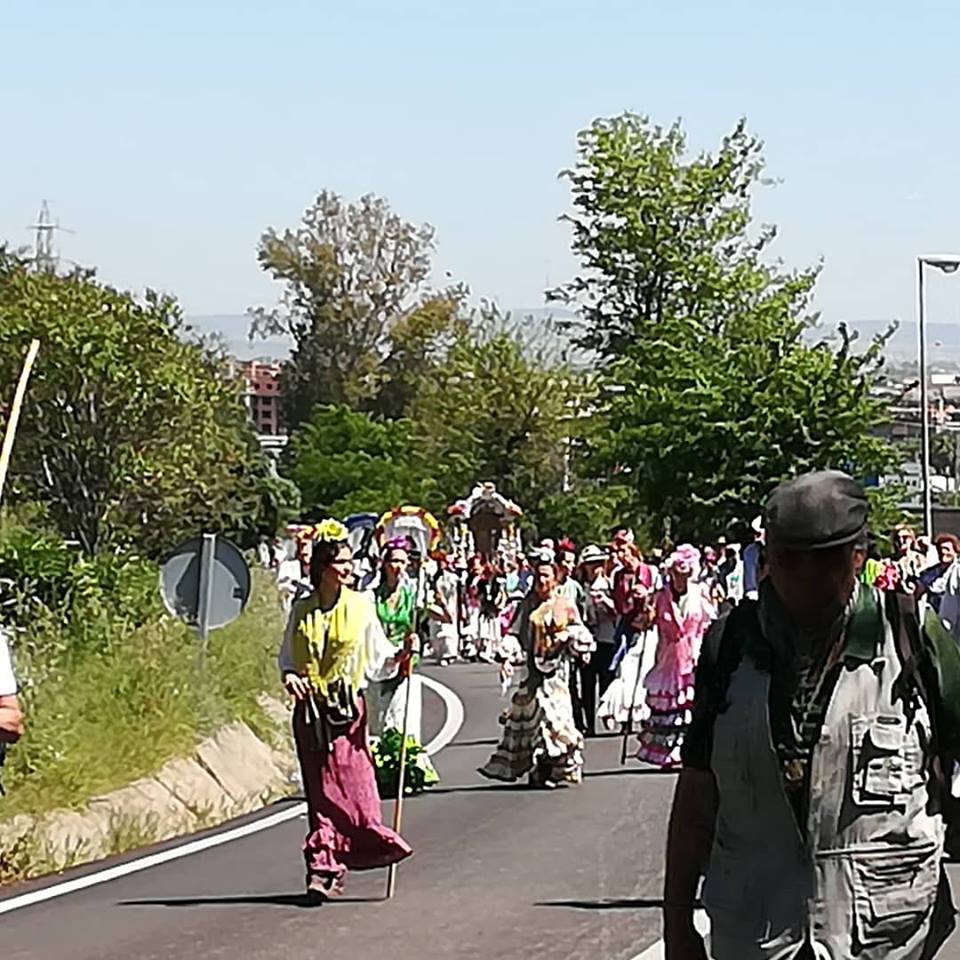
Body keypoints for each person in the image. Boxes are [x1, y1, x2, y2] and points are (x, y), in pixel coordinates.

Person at [664, 470, 960, 960]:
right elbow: (697, 788)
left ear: (857, 557)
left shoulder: (909, 634)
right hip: (756, 932)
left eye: (825, 560)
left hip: (884, 938)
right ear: (767, 558)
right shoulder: (732, 644)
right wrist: (677, 921)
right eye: (789, 559)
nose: (805, 578)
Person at [278, 520, 412, 901]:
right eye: (342, 562)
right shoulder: (301, 610)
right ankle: (323, 865)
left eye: (351, 561)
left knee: (354, 789)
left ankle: (366, 842)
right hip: (310, 714)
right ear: (324, 567)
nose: (349, 568)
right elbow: (287, 658)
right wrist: (290, 677)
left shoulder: (360, 606)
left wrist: (402, 656)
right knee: (319, 792)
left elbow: (379, 657)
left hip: (346, 712)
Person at [479, 551, 595, 788]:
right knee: (537, 720)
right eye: (538, 575)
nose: (542, 581)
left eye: (546, 576)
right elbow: (514, 633)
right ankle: (538, 769)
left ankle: (552, 768)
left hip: (557, 673)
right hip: (532, 672)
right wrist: (507, 657)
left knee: (555, 719)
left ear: (555, 577)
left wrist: (570, 637)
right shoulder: (527, 605)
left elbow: (580, 630)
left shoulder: (564, 604)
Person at [636, 544, 715, 767]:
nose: (681, 578)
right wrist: (645, 612)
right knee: (669, 706)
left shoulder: (700, 594)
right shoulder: (660, 597)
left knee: (690, 705)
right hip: (668, 658)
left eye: (685, 573)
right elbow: (645, 624)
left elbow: (709, 623)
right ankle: (666, 753)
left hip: (693, 656)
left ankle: (691, 750)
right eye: (677, 573)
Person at [367, 539, 422, 740]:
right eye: (394, 561)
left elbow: (441, 617)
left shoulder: (412, 597)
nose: (397, 567)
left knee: (400, 720)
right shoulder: (372, 597)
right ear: (385, 564)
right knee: (376, 721)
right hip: (378, 660)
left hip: (404, 662)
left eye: (402, 562)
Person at [579, 544, 618, 736]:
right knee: (587, 683)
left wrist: (606, 602)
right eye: (590, 564)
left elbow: (618, 611)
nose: (594, 567)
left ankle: (607, 713)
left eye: (597, 563)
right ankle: (589, 724)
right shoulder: (581, 587)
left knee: (606, 679)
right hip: (586, 640)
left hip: (606, 637)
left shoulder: (609, 585)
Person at [427, 551, 461, 666]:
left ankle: (449, 653)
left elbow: (455, 593)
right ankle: (440, 653)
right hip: (436, 605)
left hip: (450, 604)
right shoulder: (432, 577)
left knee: (448, 629)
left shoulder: (451, 577)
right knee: (437, 628)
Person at [916, 533, 960, 615]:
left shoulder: (958, 571)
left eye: (947, 549)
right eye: (940, 549)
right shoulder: (931, 572)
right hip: (935, 615)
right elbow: (918, 590)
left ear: (956, 551)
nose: (943, 552)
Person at [277, 529, 313, 615]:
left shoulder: (321, 567)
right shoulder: (288, 565)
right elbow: (282, 589)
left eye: (305, 545)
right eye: (300, 545)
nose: (304, 550)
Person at [893, 524, 927, 593]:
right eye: (897, 538)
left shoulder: (919, 558)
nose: (901, 541)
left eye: (905, 537)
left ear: (911, 539)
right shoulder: (891, 560)